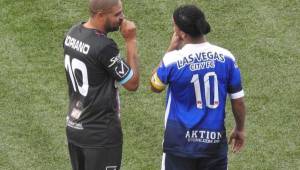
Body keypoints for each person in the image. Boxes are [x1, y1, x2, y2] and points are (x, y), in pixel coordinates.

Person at [150, 5, 246, 170]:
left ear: (181, 33)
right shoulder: (227, 57)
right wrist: (240, 128)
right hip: (213, 145)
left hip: (180, 144)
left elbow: (155, 85)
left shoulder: (172, 60)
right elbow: (238, 101)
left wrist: (171, 47)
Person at [63, 0, 139, 169]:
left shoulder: (72, 33)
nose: (122, 18)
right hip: (100, 134)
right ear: (100, 15)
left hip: (75, 128)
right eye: (117, 14)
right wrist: (131, 41)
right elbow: (132, 83)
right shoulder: (104, 46)